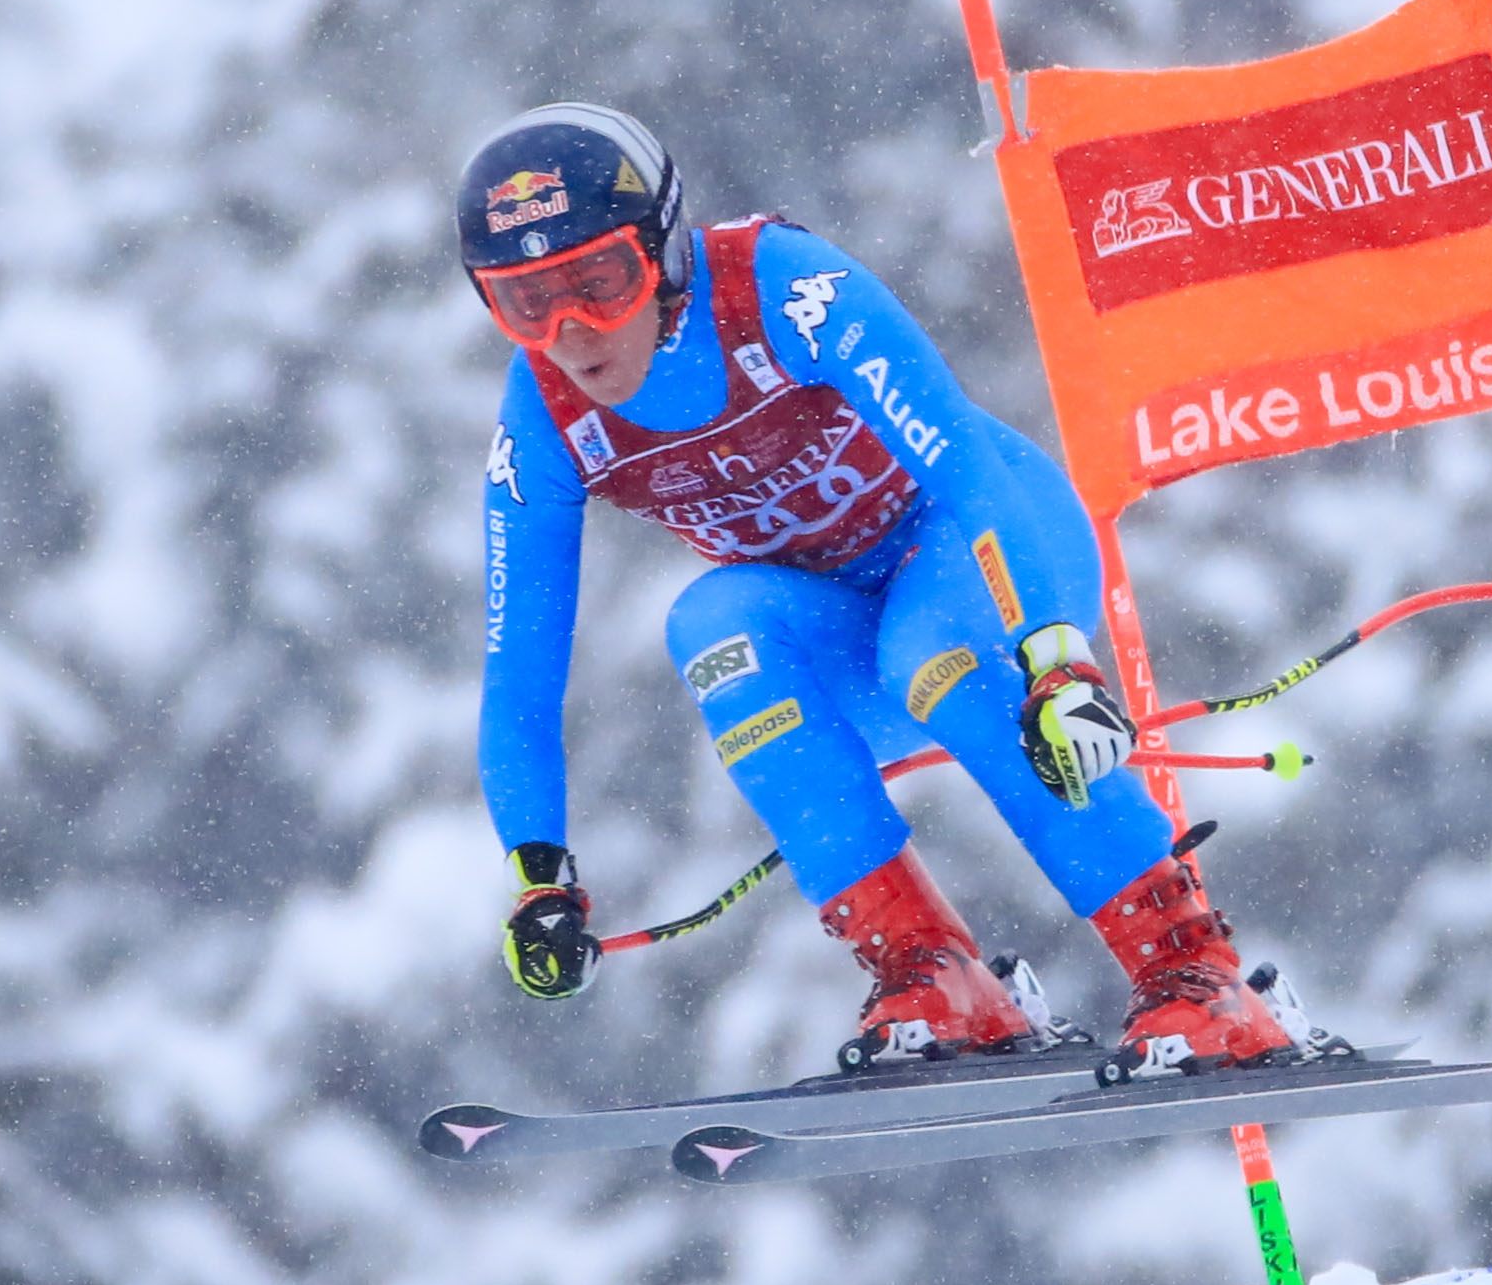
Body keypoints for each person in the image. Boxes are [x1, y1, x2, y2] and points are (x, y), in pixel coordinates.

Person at [459, 102, 1290, 1074]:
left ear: (664, 251)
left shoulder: (779, 291)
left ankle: (1197, 971)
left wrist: (1056, 658)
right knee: (710, 624)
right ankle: (932, 974)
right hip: (847, 626)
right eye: (524, 303)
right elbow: (519, 674)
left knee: (930, 655)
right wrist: (539, 878)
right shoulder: (544, 424)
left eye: (600, 283)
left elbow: (965, 473)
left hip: (990, 552)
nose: (571, 332)